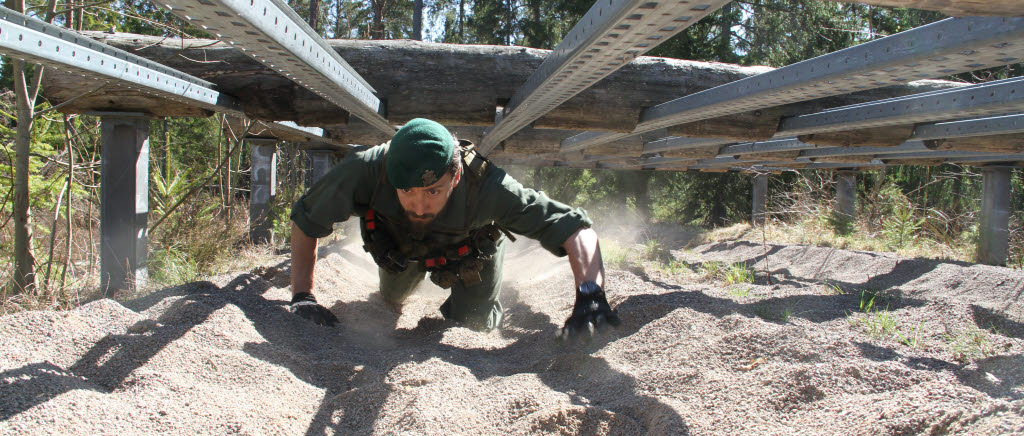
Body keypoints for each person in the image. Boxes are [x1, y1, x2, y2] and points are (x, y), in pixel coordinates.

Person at [288, 118, 619, 338]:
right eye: (407, 192)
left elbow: (577, 229)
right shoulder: (366, 170)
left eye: (433, 191)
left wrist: (591, 295)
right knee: (391, 297)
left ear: (456, 176)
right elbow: (307, 218)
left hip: (469, 253)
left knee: (476, 324)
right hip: (399, 247)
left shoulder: (488, 188)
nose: (420, 206)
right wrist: (303, 296)